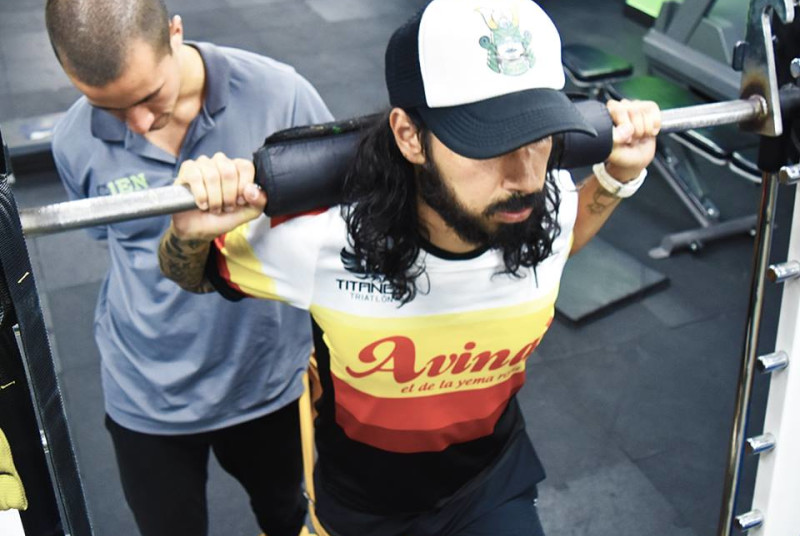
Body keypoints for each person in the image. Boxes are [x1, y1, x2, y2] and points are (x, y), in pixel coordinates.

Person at [158, 0, 660, 534]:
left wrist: (613, 181)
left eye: (537, 136)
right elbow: (190, 273)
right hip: (367, 505)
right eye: (489, 144)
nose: (525, 177)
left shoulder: (544, 204)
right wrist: (187, 233)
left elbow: (558, 247)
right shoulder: (318, 237)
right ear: (409, 136)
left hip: (488, 477)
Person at [44, 1, 332, 535]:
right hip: (146, 390)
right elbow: (111, 242)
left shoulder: (281, 94)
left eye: (149, 95)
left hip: (265, 377)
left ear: (175, 33)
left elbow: (335, 222)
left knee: (287, 517)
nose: (138, 123)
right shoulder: (73, 140)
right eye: (108, 107)